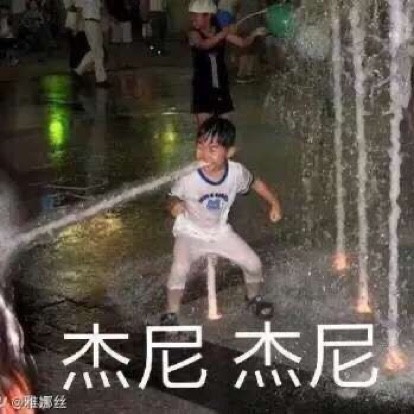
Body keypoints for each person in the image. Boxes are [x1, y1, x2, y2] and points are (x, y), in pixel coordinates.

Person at [161, 118, 282, 327]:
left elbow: (255, 183)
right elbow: (170, 197)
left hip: (220, 232)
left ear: (230, 152)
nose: (204, 154)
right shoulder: (188, 176)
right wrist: (173, 206)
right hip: (190, 232)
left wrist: (274, 203)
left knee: (254, 264)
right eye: (200, 147)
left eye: (213, 149)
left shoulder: (236, 173)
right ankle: (171, 312)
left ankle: (253, 298)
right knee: (179, 269)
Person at [188, 0, 266, 127]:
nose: (192, 18)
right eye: (191, 15)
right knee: (204, 130)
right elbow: (204, 44)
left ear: (208, 15)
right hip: (202, 87)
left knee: (226, 128)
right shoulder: (193, 33)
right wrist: (224, 33)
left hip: (221, 85)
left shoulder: (219, 31)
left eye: (195, 15)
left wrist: (254, 34)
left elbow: (242, 43)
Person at [73, 0, 109, 87]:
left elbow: (100, 8)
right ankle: (101, 79)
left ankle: (78, 71)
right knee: (98, 51)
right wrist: (76, 26)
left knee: (97, 51)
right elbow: (79, 9)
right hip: (89, 22)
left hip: (97, 22)